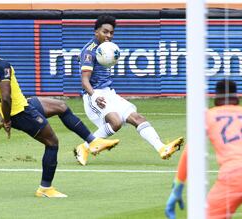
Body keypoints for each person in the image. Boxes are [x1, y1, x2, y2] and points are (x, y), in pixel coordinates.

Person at [0, 25, 119, 198]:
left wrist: (0, 115)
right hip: (20, 113)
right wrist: (6, 120)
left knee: (61, 106)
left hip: (22, 105)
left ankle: (93, 141)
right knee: (52, 143)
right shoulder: (1, 65)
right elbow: (5, 98)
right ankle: (45, 188)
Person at [165, 80, 242, 219]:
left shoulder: (207, 116)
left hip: (233, 175)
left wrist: (178, 186)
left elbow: (191, 152)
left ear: (216, 97)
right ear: (237, 96)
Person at [74, 14, 184, 166]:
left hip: (109, 93)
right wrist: (94, 96)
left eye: (111, 33)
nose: (108, 36)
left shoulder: (109, 48)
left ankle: (162, 148)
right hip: (93, 95)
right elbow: (84, 81)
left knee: (138, 118)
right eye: (105, 32)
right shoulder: (89, 51)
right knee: (115, 122)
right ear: (96, 32)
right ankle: (85, 147)